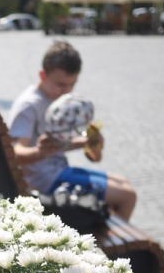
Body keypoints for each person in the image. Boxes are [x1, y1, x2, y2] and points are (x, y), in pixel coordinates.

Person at [8, 40, 136, 221]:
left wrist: (86, 142)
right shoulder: (30, 105)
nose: (66, 91)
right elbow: (15, 151)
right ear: (42, 75)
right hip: (46, 181)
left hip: (58, 172)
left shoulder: (55, 99)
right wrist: (39, 152)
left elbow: (54, 146)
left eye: (72, 84)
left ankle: (104, 232)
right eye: (61, 84)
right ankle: (114, 245)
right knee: (127, 196)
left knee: (124, 184)